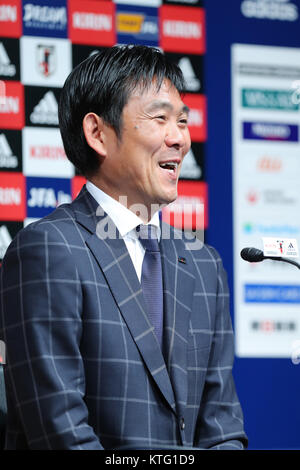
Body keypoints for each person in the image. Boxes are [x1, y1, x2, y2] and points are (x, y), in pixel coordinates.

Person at [0, 45, 247, 450]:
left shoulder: (204, 264)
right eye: (160, 118)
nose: (179, 139)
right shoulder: (47, 249)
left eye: (182, 121)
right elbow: (60, 431)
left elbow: (222, 427)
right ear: (98, 133)